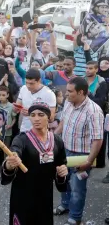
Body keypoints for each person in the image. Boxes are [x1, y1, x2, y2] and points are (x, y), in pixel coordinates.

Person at [0, 100, 68, 225]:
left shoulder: (57, 141)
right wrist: (9, 165)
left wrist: (62, 173)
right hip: (23, 195)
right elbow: (15, 151)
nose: (36, 119)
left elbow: (61, 165)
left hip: (45, 196)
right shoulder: (21, 139)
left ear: (49, 117)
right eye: (33, 115)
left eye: (41, 115)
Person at [54, 77, 104, 225]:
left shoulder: (94, 111)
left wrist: (88, 161)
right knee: (64, 181)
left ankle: (75, 218)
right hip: (65, 151)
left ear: (81, 92)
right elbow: (63, 122)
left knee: (77, 188)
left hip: (81, 157)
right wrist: (52, 138)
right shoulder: (69, 103)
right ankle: (65, 204)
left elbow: (98, 139)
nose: (66, 94)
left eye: (70, 91)